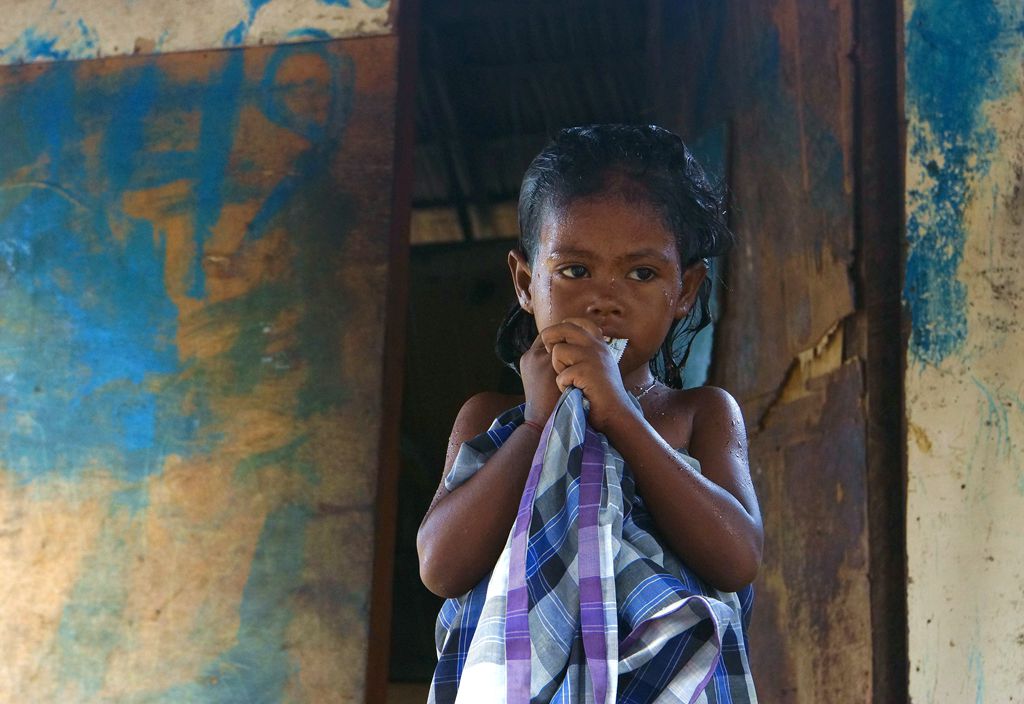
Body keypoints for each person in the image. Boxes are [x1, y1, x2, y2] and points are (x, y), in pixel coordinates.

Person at [418, 124, 763, 703]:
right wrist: (536, 426)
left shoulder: (697, 415)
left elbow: (737, 558)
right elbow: (441, 567)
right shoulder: (490, 419)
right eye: (575, 270)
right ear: (527, 283)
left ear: (686, 290)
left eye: (642, 273)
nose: (605, 297)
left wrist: (620, 415)